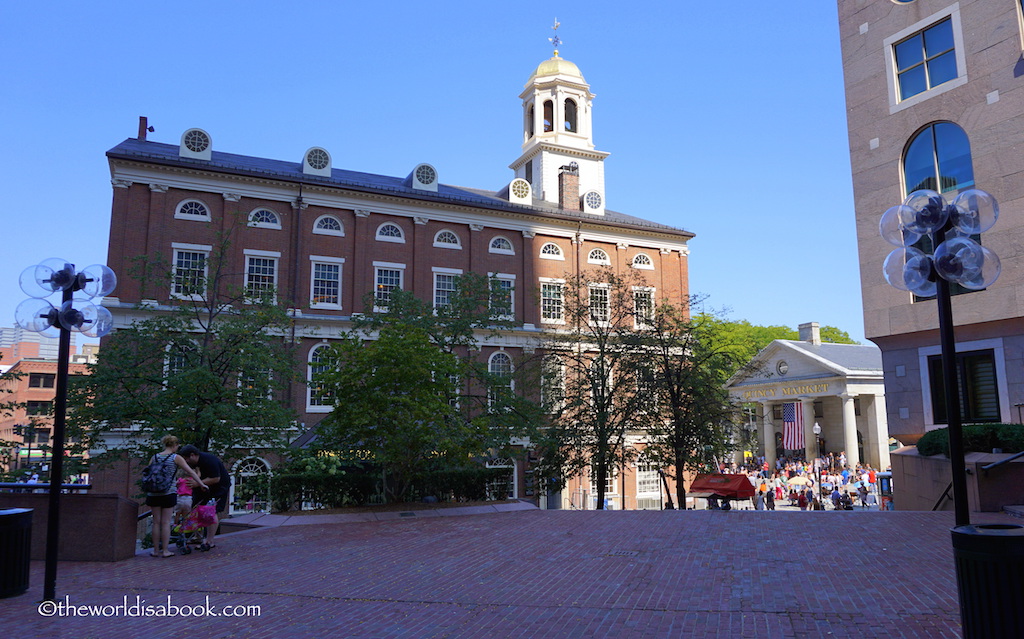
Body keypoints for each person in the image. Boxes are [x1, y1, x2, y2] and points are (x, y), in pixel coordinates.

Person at [145, 435, 207, 558]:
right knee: (166, 522)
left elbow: (148, 472)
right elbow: (189, 471)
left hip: (153, 493)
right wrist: (201, 484)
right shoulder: (175, 457)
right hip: (168, 492)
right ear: (175, 445)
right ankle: (166, 551)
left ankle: (156, 550)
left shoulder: (154, 457)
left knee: (156, 523)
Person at [180, 444, 232, 551]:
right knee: (196, 508)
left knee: (211, 511)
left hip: (218, 488)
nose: (186, 462)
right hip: (202, 487)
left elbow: (216, 478)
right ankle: (197, 536)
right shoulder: (194, 463)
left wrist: (197, 484)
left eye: (186, 459)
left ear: (193, 455)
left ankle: (209, 540)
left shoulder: (209, 460)